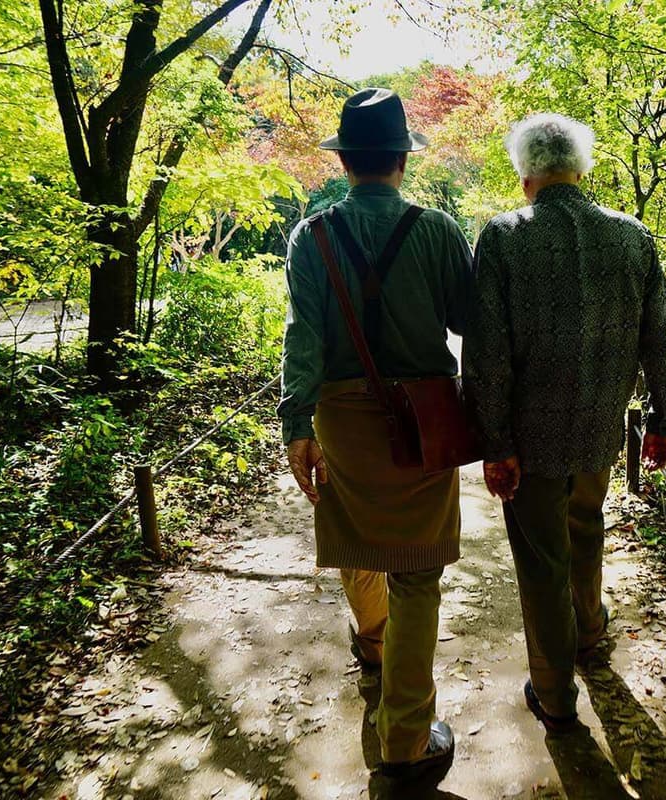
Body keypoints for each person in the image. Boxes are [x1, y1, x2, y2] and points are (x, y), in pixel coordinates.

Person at [463, 113, 666, 732]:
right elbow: (662, 339)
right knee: (585, 527)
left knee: (541, 559)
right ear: (582, 170)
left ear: (525, 172)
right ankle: (590, 631)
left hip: (528, 442)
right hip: (599, 433)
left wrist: (495, 442)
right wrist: (665, 420)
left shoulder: (505, 237)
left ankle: (556, 693)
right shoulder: (631, 236)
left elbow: (486, 353)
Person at [277, 88, 472, 780]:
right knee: (417, 575)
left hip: (341, 415)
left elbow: (302, 335)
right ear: (400, 159)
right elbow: (467, 323)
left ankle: (372, 644)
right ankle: (406, 739)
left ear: (348, 159)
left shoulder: (312, 235)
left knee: (359, 543)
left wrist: (295, 423)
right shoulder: (440, 230)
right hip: (421, 420)